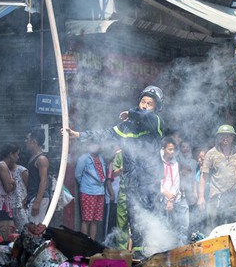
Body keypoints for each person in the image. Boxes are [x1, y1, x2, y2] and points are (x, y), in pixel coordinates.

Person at [67, 85, 165, 257]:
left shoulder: (156, 122)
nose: (145, 105)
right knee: (135, 220)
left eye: (150, 103)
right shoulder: (126, 127)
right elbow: (106, 133)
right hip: (132, 181)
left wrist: (131, 113)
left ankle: (155, 254)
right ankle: (139, 256)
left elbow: (147, 118)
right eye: (143, 101)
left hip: (149, 181)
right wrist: (80, 135)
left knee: (151, 218)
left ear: (156, 107)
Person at [197, 125, 236, 233]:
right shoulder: (211, 154)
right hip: (217, 195)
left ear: (232, 137)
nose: (225, 138)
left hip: (235, 194)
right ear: (218, 137)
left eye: (228, 135)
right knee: (216, 226)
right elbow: (204, 177)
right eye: (222, 135)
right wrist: (201, 197)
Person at [159, 137, 189, 247]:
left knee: (183, 225)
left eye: (173, 150)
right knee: (167, 226)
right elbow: (156, 180)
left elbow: (177, 181)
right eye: (170, 149)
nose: (172, 152)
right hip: (163, 199)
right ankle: (166, 250)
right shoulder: (158, 162)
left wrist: (171, 199)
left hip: (177, 198)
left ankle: (181, 249)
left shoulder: (176, 162)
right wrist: (164, 193)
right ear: (163, 149)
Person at [75, 141, 107, 240]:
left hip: (100, 191)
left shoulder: (100, 158)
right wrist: (86, 185)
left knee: (95, 220)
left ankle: (92, 243)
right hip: (88, 192)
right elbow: (78, 175)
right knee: (86, 220)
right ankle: (84, 243)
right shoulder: (84, 158)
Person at [0, 144, 19, 240]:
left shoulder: (3, 166)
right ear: (10, 154)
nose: (18, 157)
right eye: (17, 154)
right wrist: (13, 183)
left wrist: (12, 183)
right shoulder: (2, 166)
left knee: (10, 232)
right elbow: (8, 188)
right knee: (4, 235)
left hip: (3, 206)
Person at [25, 127, 50, 225]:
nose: (25, 141)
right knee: (32, 226)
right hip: (33, 197)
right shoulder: (33, 158)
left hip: (40, 197)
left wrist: (38, 202)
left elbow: (43, 181)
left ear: (34, 142)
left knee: (36, 228)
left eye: (27, 139)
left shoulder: (41, 159)